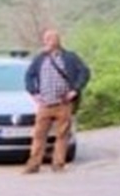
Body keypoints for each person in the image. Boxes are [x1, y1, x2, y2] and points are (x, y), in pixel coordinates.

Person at [23, 28, 90, 173]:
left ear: (56, 41)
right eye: (45, 39)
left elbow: (85, 72)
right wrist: (33, 93)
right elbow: (29, 75)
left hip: (63, 103)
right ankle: (33, 165)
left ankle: (58, 164)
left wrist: (75, 90)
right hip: (45, 104)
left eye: (49, 39)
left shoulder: (70, 57)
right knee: (39, 135)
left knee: (62, 135)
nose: (45, 41)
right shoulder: (40, 58)